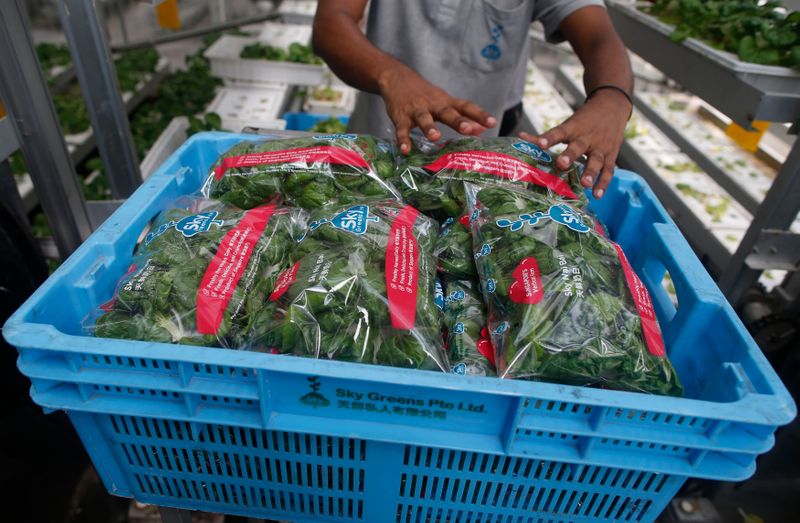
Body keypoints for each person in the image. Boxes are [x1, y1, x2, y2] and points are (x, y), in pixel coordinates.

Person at [312, 0, 634, 199]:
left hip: (474, 172)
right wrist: (390, 76)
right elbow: (331, 23)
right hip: (378, 155)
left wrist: (613, 97)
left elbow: (598, 36)